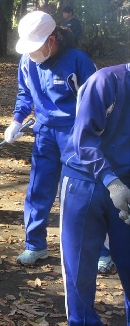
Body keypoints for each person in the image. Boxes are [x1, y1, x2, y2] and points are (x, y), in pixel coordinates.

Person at [4, 10, 96, 265]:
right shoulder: (27, 61)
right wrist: (16, 121)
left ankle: (97, 250)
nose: (32, 54)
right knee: (38, 188)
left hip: (74, 133)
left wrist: (88, 134)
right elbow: (25, 93)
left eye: (36, 48)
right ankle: (35, 245)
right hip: (44, 132)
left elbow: (94, 102)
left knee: (80, 192)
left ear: (51, 41)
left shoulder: (78, 61)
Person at [59, 63, 130, 325]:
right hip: (83, 181)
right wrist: (112, 182)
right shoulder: (107, 82)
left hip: (127, 183)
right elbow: (84, 139)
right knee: (79, 270)